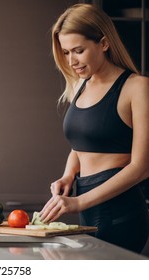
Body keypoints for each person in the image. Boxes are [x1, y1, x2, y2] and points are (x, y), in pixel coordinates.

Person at [40, 3, 149, 253]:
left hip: (121, 213)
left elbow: (141, 167)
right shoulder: (81, 85)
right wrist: (69, 175)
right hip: (86, 209)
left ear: (104, 43)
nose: (71, 61)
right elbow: (83, 143)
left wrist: (77, 202)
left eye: (78, 50)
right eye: (66, 52)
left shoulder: (137, 87)